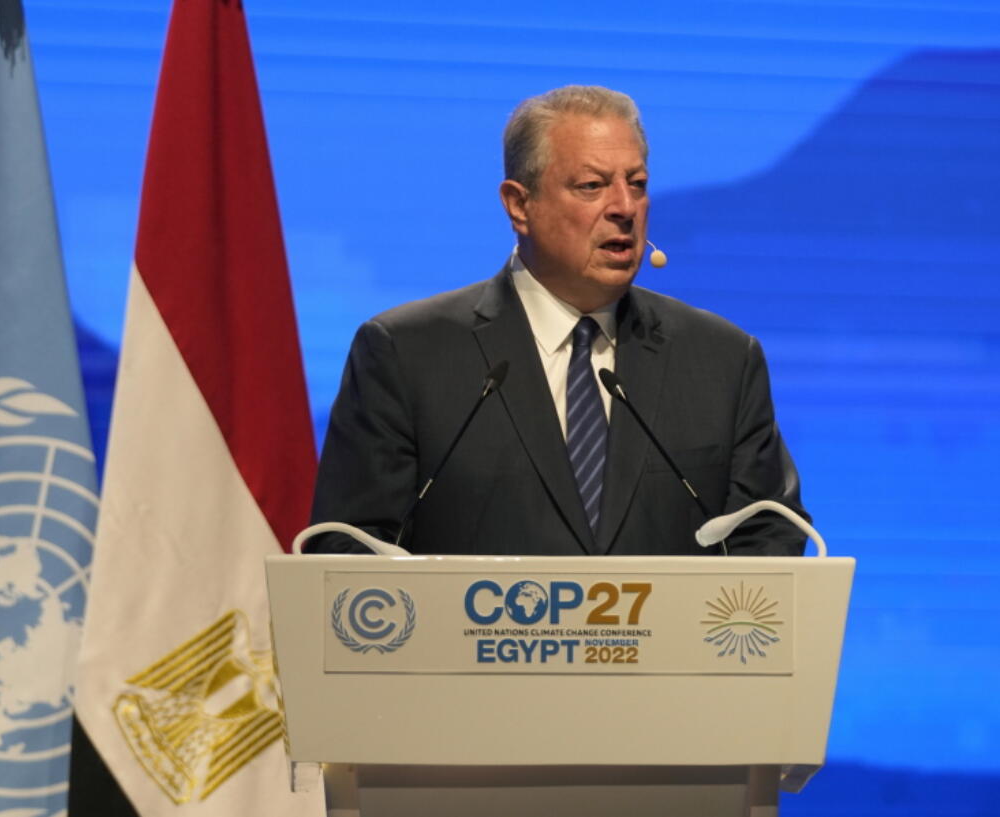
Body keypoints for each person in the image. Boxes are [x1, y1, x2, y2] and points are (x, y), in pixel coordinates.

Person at [308, 85, 807, 556]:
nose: (625, 208)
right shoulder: (406, 353)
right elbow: (350, 548)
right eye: (592, 186)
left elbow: (768, 536)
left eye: (637, 184)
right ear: (519, 205)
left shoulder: (720, 359)